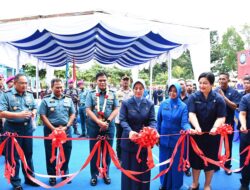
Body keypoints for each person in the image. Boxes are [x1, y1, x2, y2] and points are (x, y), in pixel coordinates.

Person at [188, 72, 226, 190]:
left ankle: (207, 185)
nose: (202, 85)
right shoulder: (193, 97)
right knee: (195, 160)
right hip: (196, 135)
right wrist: (197, 127)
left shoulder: (218, 99)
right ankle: (195, 183)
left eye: (205, 83)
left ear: (212, 84)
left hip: (213, 136)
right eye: (200, 83)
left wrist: (215, 127)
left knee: (210, 160)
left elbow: (221, 117)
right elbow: (191, 114)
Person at [0, 73, 39, 190]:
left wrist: (34, 112)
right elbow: (1, 112)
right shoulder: (6, 95)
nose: (24, 85)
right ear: (15, 83)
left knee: (28, 155)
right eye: (22, 83)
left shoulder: (30, 95)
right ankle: (16, 182)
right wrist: (19, 115)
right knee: (14, 157)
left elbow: (34, 107)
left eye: (26, 83)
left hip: (27, 129)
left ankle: (30, 178)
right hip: (12, 129)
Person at [119, 79, 156, 190]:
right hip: (129, 141)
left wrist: (150, 130)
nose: (138, 90)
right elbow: (122, 120)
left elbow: (153, 120)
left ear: (144, 90)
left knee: (143, 170)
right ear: (133, 89)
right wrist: (129, 131)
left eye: (141, 88)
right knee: (129, 170)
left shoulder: (149, 104)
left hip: (144, 143)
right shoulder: (126, 103)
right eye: (136, 88)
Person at [39, 78, 75, 186]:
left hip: (66, 129)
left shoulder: (69, 99)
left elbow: (72, 114)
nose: (59, 89)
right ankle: (52, 175)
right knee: (51, 153)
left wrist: (67, 126)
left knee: (66, 151)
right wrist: (53, 128)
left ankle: (64, 172)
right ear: (52, 87)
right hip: (51, 131)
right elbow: (42, 115)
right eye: (57, 87)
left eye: (61, 87)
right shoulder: (45, 100)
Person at [158, 83, 193, 190]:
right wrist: (157, 135)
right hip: (163, 140)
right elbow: (158, 121)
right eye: (171, 91)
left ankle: (175, 185)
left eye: (175, 91)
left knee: (176, 164)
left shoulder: (183, 106)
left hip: (177, 142)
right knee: (163, 163)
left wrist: (189, 129)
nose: (172, 93)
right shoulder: (163, 104)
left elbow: (184, 123)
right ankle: (163, 184)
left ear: (178, 92)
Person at [86, 72, 118, 186]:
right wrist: (98, 121)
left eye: (104, 80)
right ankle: (94, 175)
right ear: (96, 81)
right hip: (94, 126)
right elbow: (88, 110)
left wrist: (108, 121)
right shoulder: (90, 94)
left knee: (107, 151)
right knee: (94, 152)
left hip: (109, 127)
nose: (102, 82)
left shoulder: (113, 94)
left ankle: (105, 173)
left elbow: (116, 109)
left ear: (107, 81)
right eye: (100, 80)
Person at [215, 72, 241, 174]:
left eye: (224, 79)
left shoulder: (234, 92)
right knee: (215, 144)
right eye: (220, 79)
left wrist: (223, 97)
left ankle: (227, 166)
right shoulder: (215, 91)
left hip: (228, 124)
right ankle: (215, 165)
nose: (221, 81)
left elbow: (235, 106)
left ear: (228, 80)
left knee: (228, 145)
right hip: (216, 123)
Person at [115, 75, 133, 161]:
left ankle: (128, 157)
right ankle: (119, 158)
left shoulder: (133, 93)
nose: (125, 82)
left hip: (130, 121)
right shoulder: (117, 93)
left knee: (130, 138)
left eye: (127, 80)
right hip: (119, 120)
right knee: (119, 139)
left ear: (130, 82)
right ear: (121, 81)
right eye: (124, 80)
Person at [178, 79, 192, 177]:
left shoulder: (191, 98)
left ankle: (186, 168)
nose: (181, 86)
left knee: (187, 149)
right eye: (179, 84)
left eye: (182, 84)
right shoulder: (174, 96)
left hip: (187, 128)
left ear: (185, 86)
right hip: (176, 129)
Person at [238, 93, 250, 190]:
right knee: (245, 159)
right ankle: (245, 183)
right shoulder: (246, 98)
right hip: (247, 133)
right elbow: (242, 113)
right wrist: (243, 124)